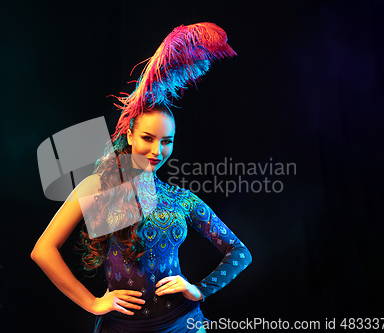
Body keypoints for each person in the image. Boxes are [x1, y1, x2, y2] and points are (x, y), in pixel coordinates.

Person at [31, 23, 252, 333]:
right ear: (130, 135)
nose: (157, 150)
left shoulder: (180, 198)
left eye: (167, 141)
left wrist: (199, 289)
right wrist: (92, 303)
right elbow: (43, 250)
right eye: (148, 138)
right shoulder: (100, 186)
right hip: (122, 328)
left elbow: (240, 252)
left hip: (184, 324)